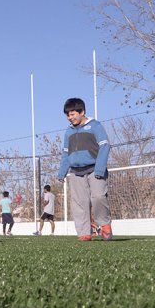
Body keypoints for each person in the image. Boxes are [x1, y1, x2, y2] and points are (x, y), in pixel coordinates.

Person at [57, 98, 112, 241]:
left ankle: (104, 224)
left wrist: (100, 169)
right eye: (68, 115)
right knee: (79, 203)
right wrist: (62, 172)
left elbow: (104, 145)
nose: (70, 118)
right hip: (76, 172)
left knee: (99, 197)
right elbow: (65, 153)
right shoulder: (68, 132)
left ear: (82, 112)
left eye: (73, 114)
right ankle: (84, 232)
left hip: (95, 169)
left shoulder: (95, 126)